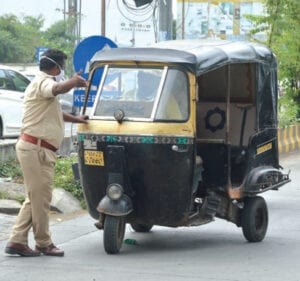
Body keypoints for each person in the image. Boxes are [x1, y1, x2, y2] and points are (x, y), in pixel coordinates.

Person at [4, 49, 88, 257]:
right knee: (40, 198)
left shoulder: (41, 86)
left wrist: (78, 119)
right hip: (36, 149)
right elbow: (57, 88)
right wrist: (71, 82)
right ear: (56, 67)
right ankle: (43, 242)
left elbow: (55, 112)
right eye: (62, 67)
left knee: (36, 198)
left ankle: (17, 240)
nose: (62, 72)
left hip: (39, 149)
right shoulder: (43, 81)